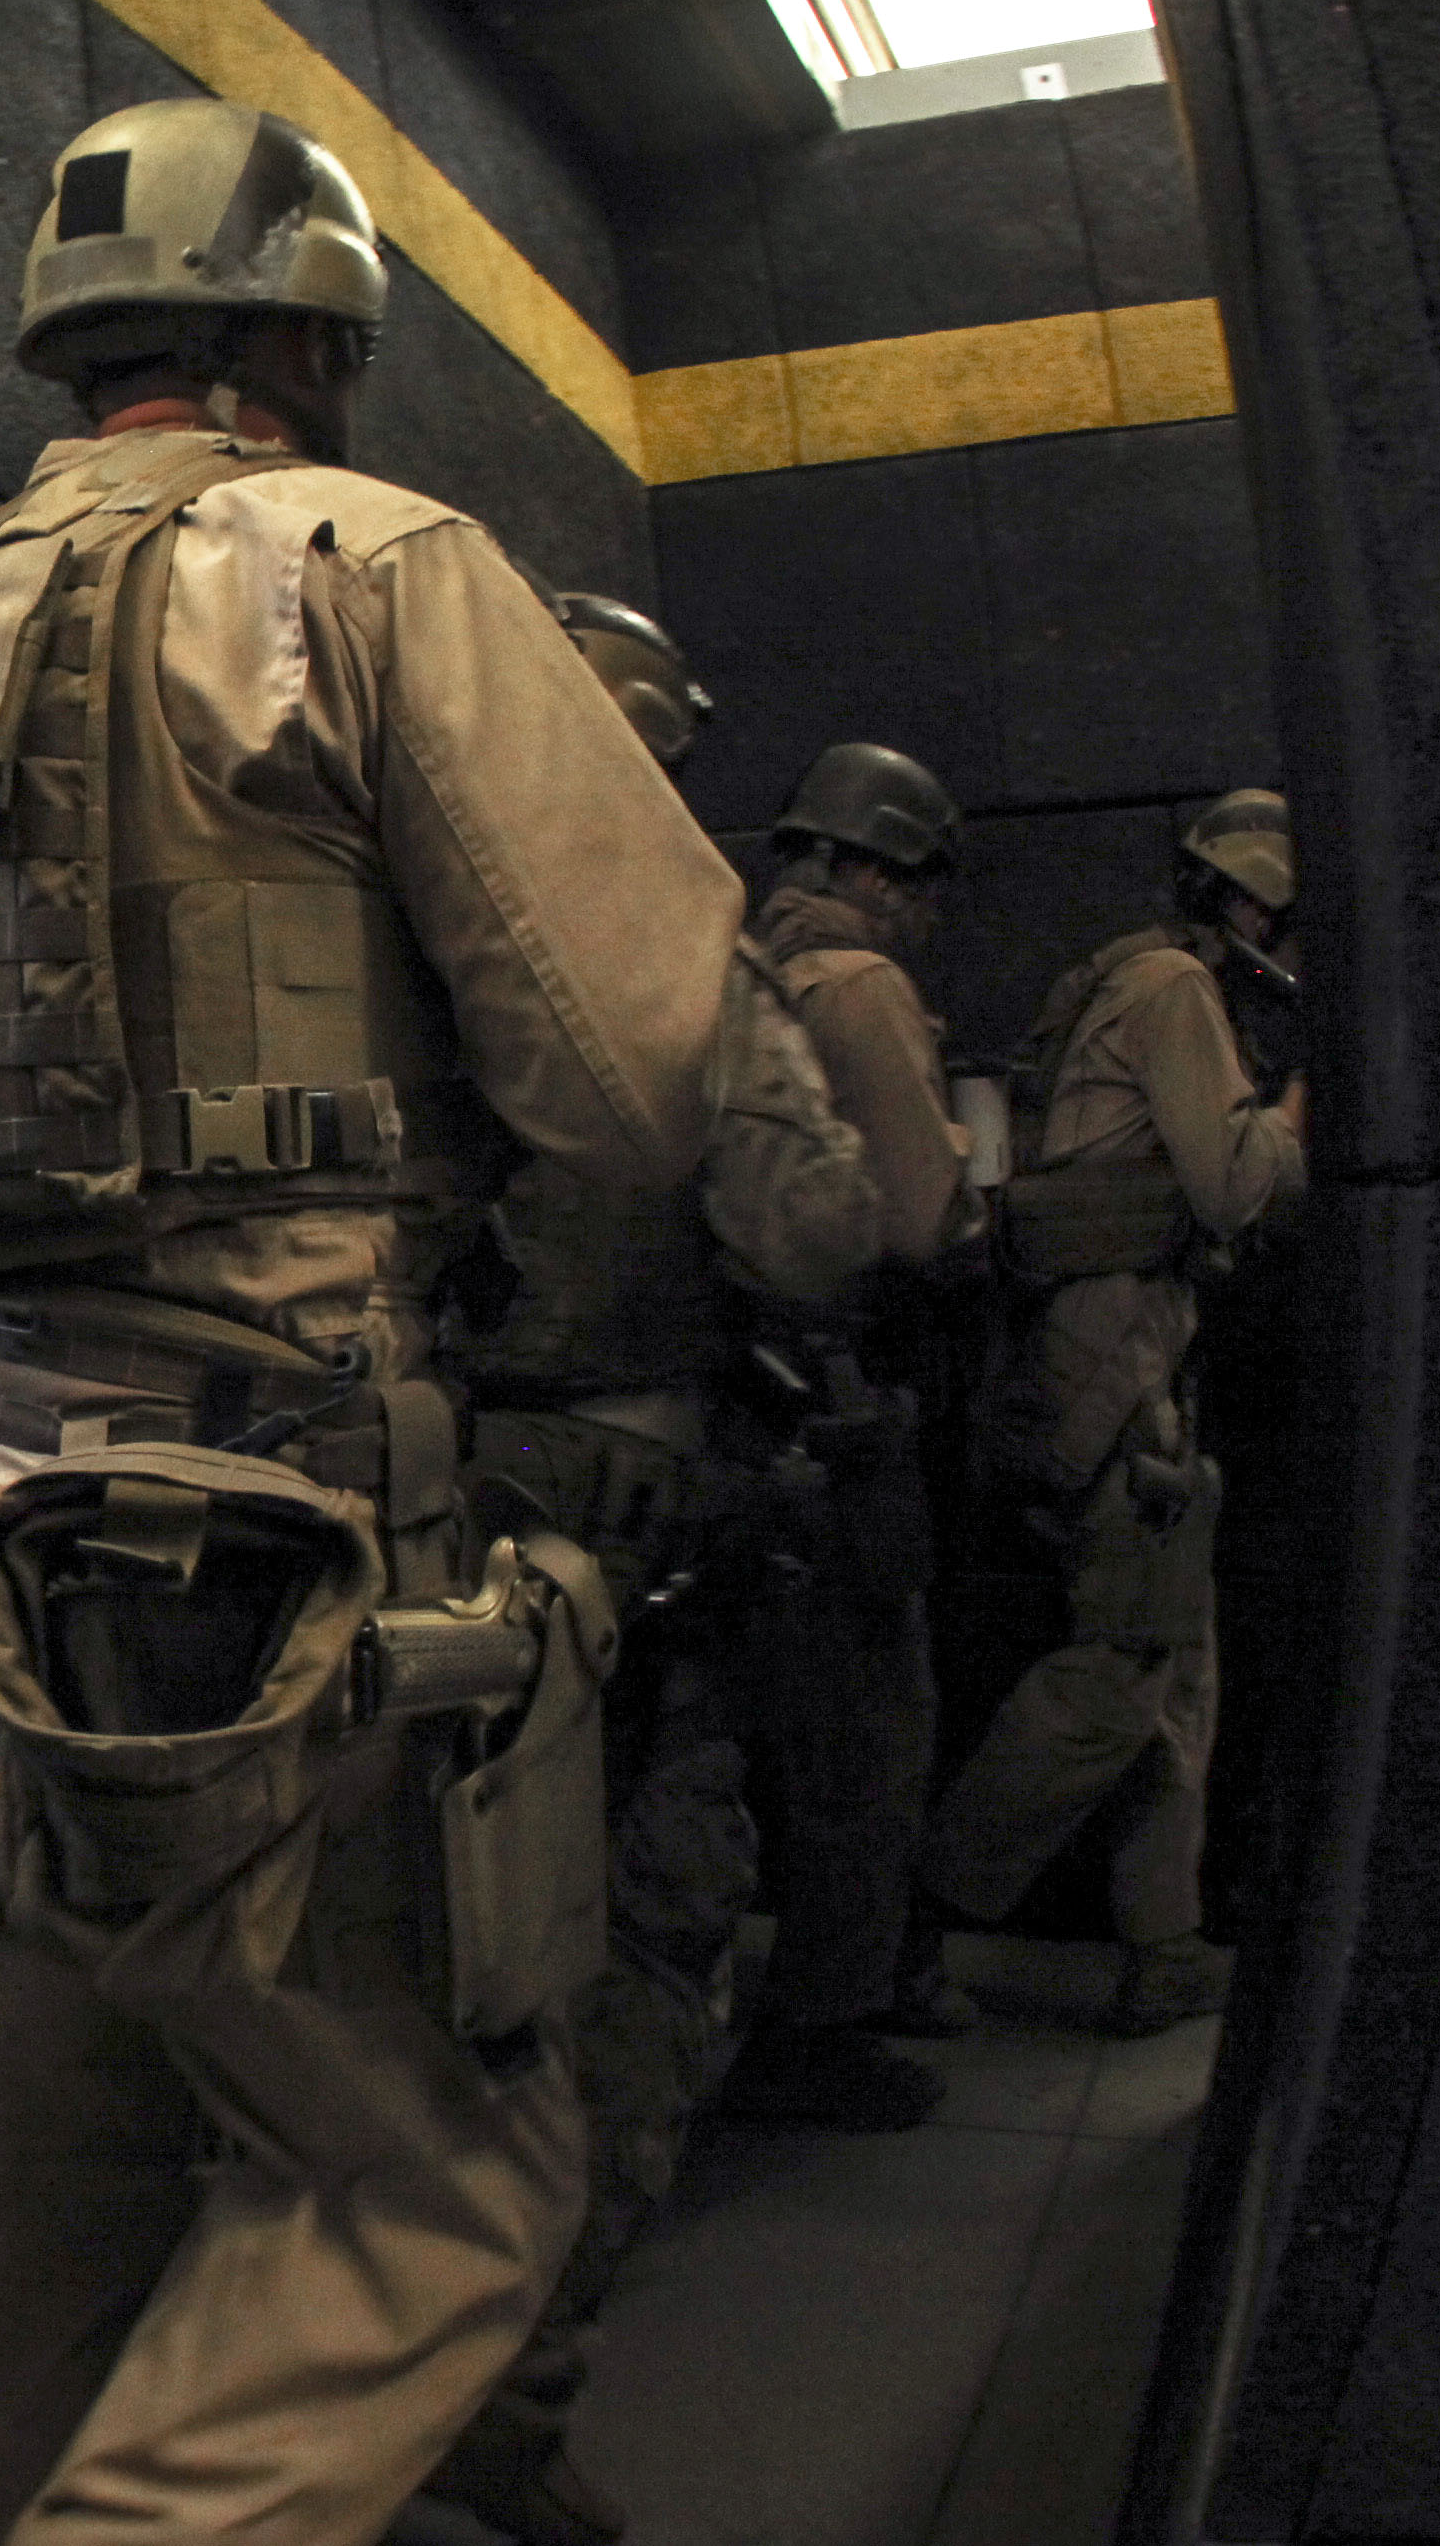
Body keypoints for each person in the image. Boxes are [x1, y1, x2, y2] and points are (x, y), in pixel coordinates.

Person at [0, 99, 741, 2545]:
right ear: (310, 331)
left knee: (19, 2198)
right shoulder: (359, 562)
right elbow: (640, 1062)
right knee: (435, 2182)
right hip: (218, 1529)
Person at [420, 599, 880, 2546]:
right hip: (622, 1552)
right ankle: (505, 2418)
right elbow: (817, 1231)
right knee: (637, 1953)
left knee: (406, 1986)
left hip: (391, 1525)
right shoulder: (680, 942)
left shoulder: (382, 922)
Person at [925, 794, 1308, 2039]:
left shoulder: (1129, 979)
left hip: (1125, 1348)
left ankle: (1166, 1940)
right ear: (1251, 902)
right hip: (1116, 1362)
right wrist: (1300, 1104)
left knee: (1171, 1662)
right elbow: (1237, 1183)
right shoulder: (1172, 991)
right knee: (1117, 1663)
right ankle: (919, 1909)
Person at [717, 743, 989, 2106]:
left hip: (746, 1401)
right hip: (851, 1395)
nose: (927, 914)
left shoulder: (720, 961)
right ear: (875, 869)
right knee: (872, 1723)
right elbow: (924, 1219)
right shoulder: (862, 986)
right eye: (922, 882)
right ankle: (828, 2021)